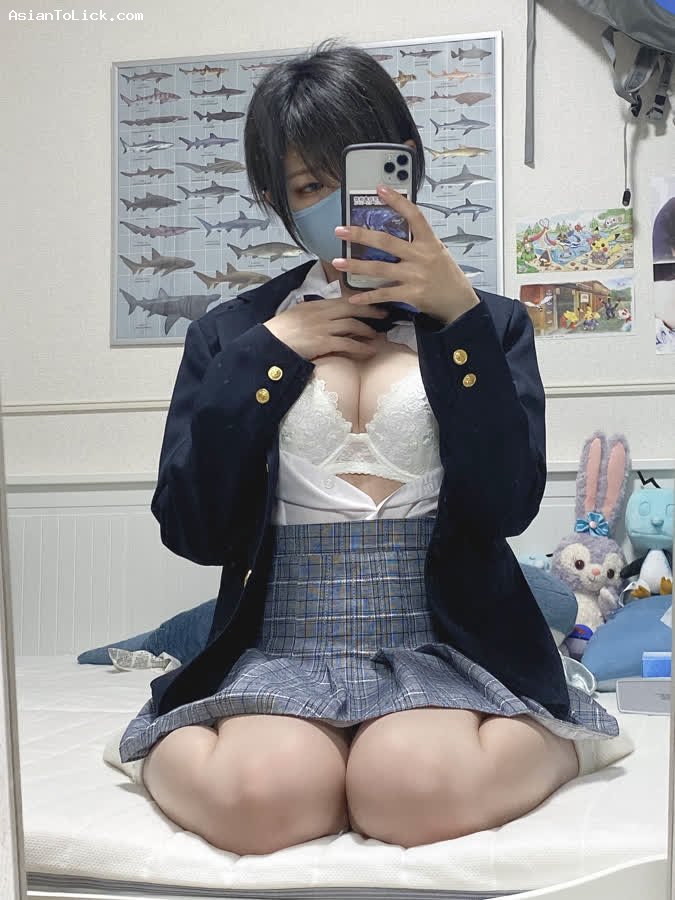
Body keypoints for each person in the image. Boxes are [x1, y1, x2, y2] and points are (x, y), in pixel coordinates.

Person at [118, 39, 632, 856]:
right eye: (308, 187)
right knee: (261, 802)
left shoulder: (490, 323)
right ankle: (157, 735)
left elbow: (505, 505)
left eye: (355, 177)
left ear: (407, 165)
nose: (338, 207)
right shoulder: (232, 335)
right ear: (274, 201)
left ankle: (569, 730)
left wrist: (457, 319)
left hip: (447, 641)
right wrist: (269, 354)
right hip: (282, 643)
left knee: (408, 793)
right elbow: (194, 530)